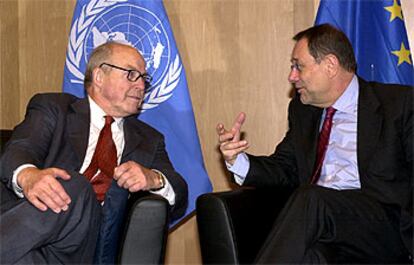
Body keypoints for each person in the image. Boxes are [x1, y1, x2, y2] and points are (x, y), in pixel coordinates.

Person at [217, 24, 412, 264]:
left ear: (330, 65)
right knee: (311, 257)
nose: (292, 76)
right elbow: (285, 168)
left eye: (298, 66)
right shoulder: (303, 111)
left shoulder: (399, 105)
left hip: (382, 228)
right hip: (326, 229)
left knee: (312, 198)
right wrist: (238, 160)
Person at [0, 42, 188, 264]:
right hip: (31, 236)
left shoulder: (149, 139)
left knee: (78, 186)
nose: (141, 86)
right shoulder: (54, 108)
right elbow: (20, 148)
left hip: (87, 244)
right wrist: (29, 176)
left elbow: (180, 191)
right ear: (99, 76)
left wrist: (153, 178)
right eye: (131, 74)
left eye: (144, 79)